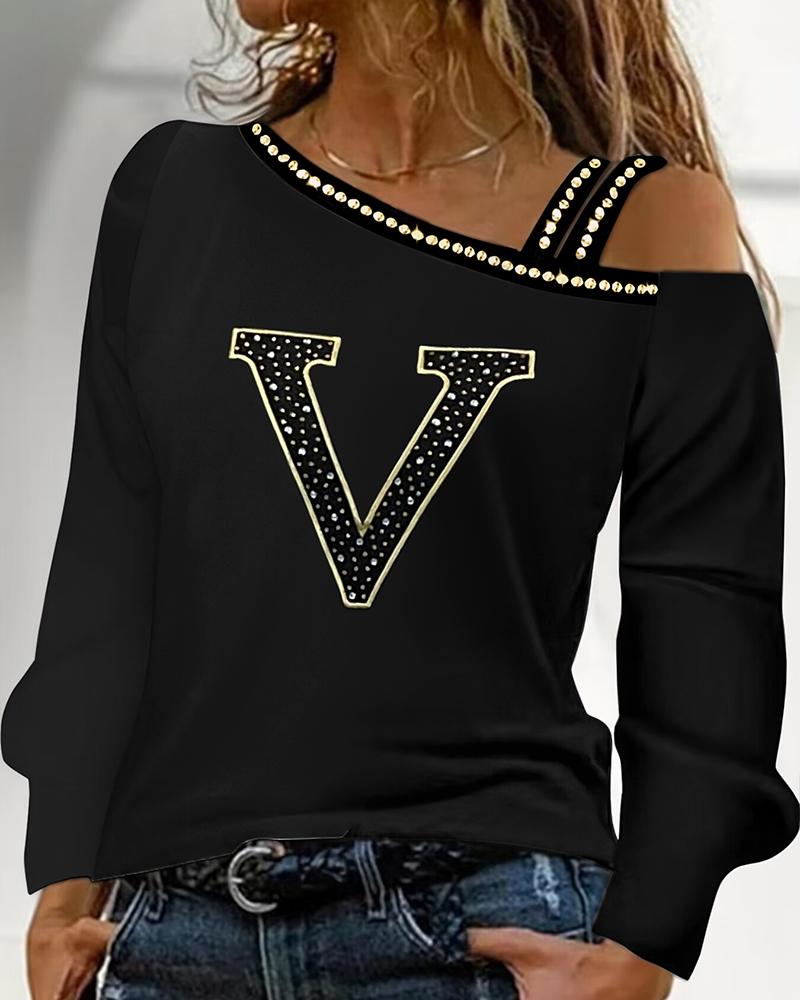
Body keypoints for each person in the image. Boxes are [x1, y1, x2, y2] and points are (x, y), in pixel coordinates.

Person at [5, 2, 798, 998]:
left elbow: (706, 598)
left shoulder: (643, 221)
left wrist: (646, 946)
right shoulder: (175, 188)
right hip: (173, 935)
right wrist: (63, 882)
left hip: (479, 922)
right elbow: (110, 564)